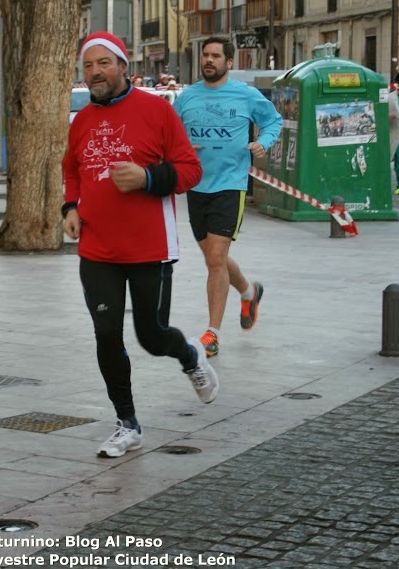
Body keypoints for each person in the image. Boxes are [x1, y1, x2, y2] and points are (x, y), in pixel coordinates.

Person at [62, 31, 217, 458]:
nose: (95, 72)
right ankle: (126, 423)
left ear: (123, 66)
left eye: (103, 63)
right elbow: (72, 170)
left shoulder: (156, 111)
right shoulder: (81, 122)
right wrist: (69, 207)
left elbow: (190, 171)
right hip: (97, 250)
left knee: (151, 336)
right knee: (106, 334)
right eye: (88, 65)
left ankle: (189, 355)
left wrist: (147, 178)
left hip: (151, 248)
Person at [173, 35, 281, 358]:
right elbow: (170, 132)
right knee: (213, 258)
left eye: (216, 56)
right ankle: (249, 292)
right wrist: (179, 149)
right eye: (205, 55)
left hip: (230, 185)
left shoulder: (246, 95)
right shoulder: (187, 98)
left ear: (229, 63)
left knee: (216, 259)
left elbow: (272, 121)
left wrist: (265, 142)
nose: (209, 60)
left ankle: (213, 333)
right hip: (196, 186)